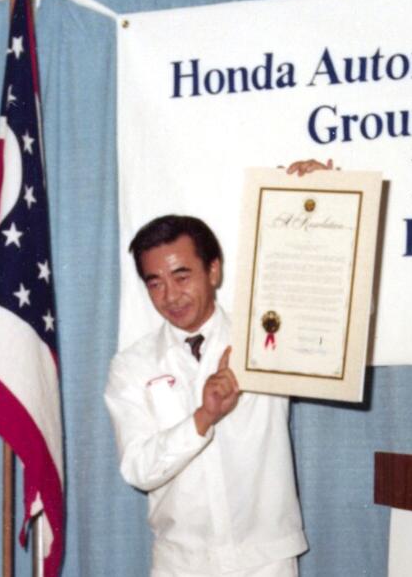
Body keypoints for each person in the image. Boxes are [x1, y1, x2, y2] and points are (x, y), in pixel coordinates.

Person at [105, 160, 331, 576]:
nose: (170, 295)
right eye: (155, 282)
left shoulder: (267, 337)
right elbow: (139, 469)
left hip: (265, 560)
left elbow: (320, 281)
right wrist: (204, 417)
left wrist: (316, 197)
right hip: (180, 563)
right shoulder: (131, 366)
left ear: (214, 270)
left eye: (182, 275)